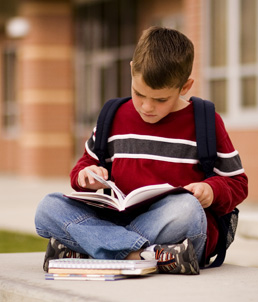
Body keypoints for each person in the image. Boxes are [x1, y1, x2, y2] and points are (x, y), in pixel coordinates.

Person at [35, 26, 248, 275]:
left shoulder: (205, 120)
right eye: (138, 93)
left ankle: (95, 249)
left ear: (185, 86)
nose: (147, 107)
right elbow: (82, 168)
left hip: (172, 225)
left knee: (186, 209)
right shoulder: (113, 116)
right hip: (125, 221)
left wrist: (212, 190)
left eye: (160, 100)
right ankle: (143, 256)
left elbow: (238, 183)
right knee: (48, 207)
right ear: (131, 70)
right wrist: (87, 176)